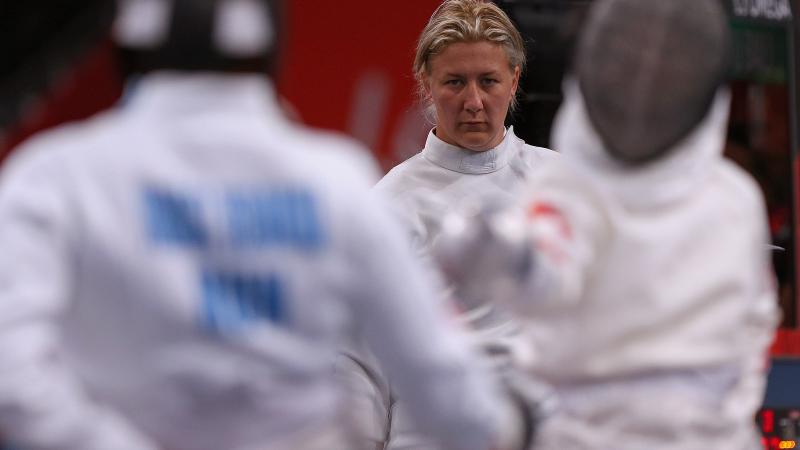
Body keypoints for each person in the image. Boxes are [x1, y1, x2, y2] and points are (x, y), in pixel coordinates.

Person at [0, 1, 536, 449]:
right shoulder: (334, 180)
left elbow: (13, 376)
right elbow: (435, 375)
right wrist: (511, 424)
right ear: (269, 51)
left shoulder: (54, 177)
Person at [434, 0, 780, 448]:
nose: (642, 87)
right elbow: (550, 265)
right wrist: (505, 257)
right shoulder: (570, 187)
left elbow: (754, 328)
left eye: (663, 71)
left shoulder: (733, 202)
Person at [339, 1, 557, 449]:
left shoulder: (563, 189)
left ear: (514, 80)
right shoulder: (389, 206)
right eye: (455, 82)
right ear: (426, 82)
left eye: (489, 81)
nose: (473, 102)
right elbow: (357, 362)